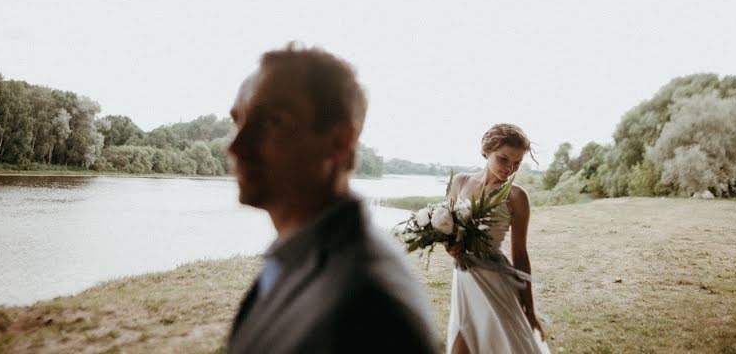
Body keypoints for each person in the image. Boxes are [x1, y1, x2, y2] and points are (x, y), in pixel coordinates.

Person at [226, 44, 438, 354]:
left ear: (339, 141)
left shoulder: (373, 310)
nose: (237, 146)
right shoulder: (298, 255)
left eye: (272, 121)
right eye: (237, 121)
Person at [446, 123, 550, 354]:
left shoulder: (517, 197)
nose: (510, 168)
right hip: (463, 278)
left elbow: (520, 254)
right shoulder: (460, 183)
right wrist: (450, 246)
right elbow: (448, 231)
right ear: (487, 151)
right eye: (503, 159)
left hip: (495, 280)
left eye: (517, 163)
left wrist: (530, 310)